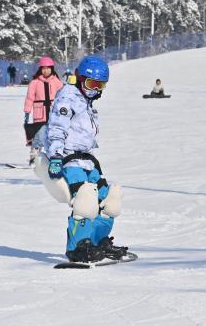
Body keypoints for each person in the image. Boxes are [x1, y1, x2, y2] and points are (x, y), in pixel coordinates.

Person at [44, 55, 127, 263]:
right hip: (70, 161)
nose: (95, 89)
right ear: (80, 78)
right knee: (85, 199)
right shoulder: (68, 98)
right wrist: (55, 157)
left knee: (109, 201)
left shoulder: (85, 100)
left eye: (100, 86)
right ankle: (78, 247)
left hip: (87, 161)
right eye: (91, 84)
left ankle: (97, 242)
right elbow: (56, 128)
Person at [23, 57, 64, 164]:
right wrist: (27, 111)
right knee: (39, 136)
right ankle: (34, 157)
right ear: (40, 69)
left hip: (53, 114)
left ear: (52, 69)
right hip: (39, 113)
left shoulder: (57, 82)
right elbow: (29, 97)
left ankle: (53, 158)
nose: (46, 71)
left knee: (53, 136)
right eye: (43, 68)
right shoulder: (34, 82)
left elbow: (62, 96)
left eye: (48, 68)